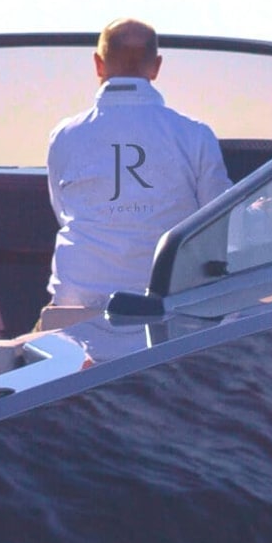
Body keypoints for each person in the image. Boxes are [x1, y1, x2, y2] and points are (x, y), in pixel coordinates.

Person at [43, 18, 232, 320]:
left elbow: (63, 211)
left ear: (98, 65)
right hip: (166, 311)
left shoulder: (64, 136)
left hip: (75, 309)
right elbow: (218, 223)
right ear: (156, 67)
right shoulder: (195, 135)